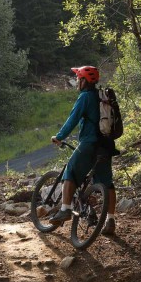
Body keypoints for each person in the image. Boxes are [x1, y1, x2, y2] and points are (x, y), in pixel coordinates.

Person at [49, 66, 118, 235]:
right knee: (107, 183)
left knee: (70, 172)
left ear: (84, 81)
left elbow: (73, 119)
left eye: (79, 79)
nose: (77, 82)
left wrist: (60, 136)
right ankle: (110, 220)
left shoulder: (85, 97)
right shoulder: (103, 96)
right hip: (106, 146)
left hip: (89, 144)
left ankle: (65, 209)